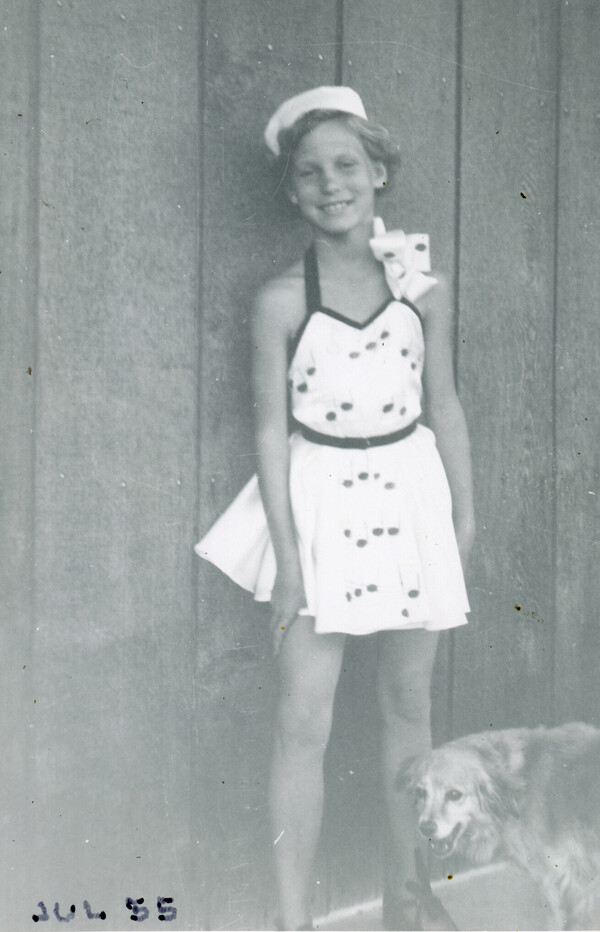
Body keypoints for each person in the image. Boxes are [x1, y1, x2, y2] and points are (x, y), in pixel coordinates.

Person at [195, 86, 474, 931]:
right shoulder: (281, 298)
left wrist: (461, 524)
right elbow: (273, 435)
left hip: (410, 495)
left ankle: (409, 901)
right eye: (309, 173)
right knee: (301, 720)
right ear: (292, 192)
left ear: (379, 172)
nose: (331, 184)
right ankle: (290, 918)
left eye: (348, 165)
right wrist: (287, 557)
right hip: (317, 511)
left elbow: (446, 403)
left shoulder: (421, 288)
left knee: (407, 709)